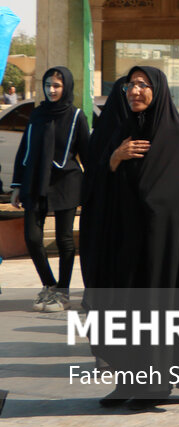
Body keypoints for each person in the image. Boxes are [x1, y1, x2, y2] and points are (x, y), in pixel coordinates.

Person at [85, 66, 179, 409]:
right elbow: (97, 187)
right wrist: (114, 160)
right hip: (126, 246)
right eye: (131, 85)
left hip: (164, 251)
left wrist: (149, 203)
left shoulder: (177, 137)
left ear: (158, 91)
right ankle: (127, 381)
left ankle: (156, 386)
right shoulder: (120, 131)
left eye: (143, 85)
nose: (135, 91)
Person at [10, 66, 91, 311]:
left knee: (64, 239)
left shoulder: (76, 116)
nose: (51, 90)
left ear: (65, 86)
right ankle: (49, 285)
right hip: (35, 181)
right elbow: (25, 149)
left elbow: (86, 153)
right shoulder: (38, 114)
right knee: (32, 238)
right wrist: (16, 185)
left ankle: (63, 292)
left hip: (65, 182)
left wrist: (94, 188)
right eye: (47, 85)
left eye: (56, 86)